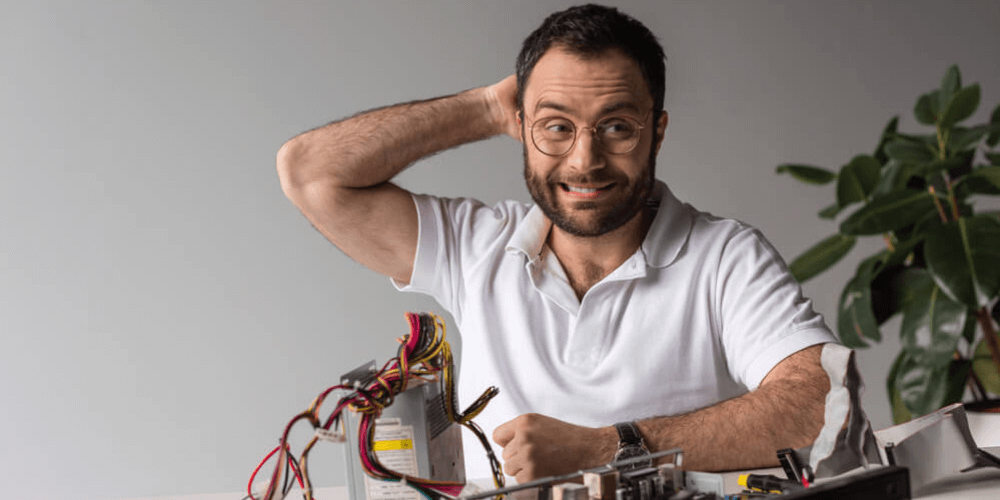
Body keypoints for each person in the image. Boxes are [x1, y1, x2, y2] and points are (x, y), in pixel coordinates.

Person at [276, 3, 836, 484]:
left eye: (616, 126)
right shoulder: (476, 248)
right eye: (557, 126)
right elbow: (310, 174)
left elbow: (819, 400)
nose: (584, 160)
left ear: (656, 131)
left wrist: (609, 448)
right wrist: (489, 109)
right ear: (523, 127)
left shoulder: (724, 257)